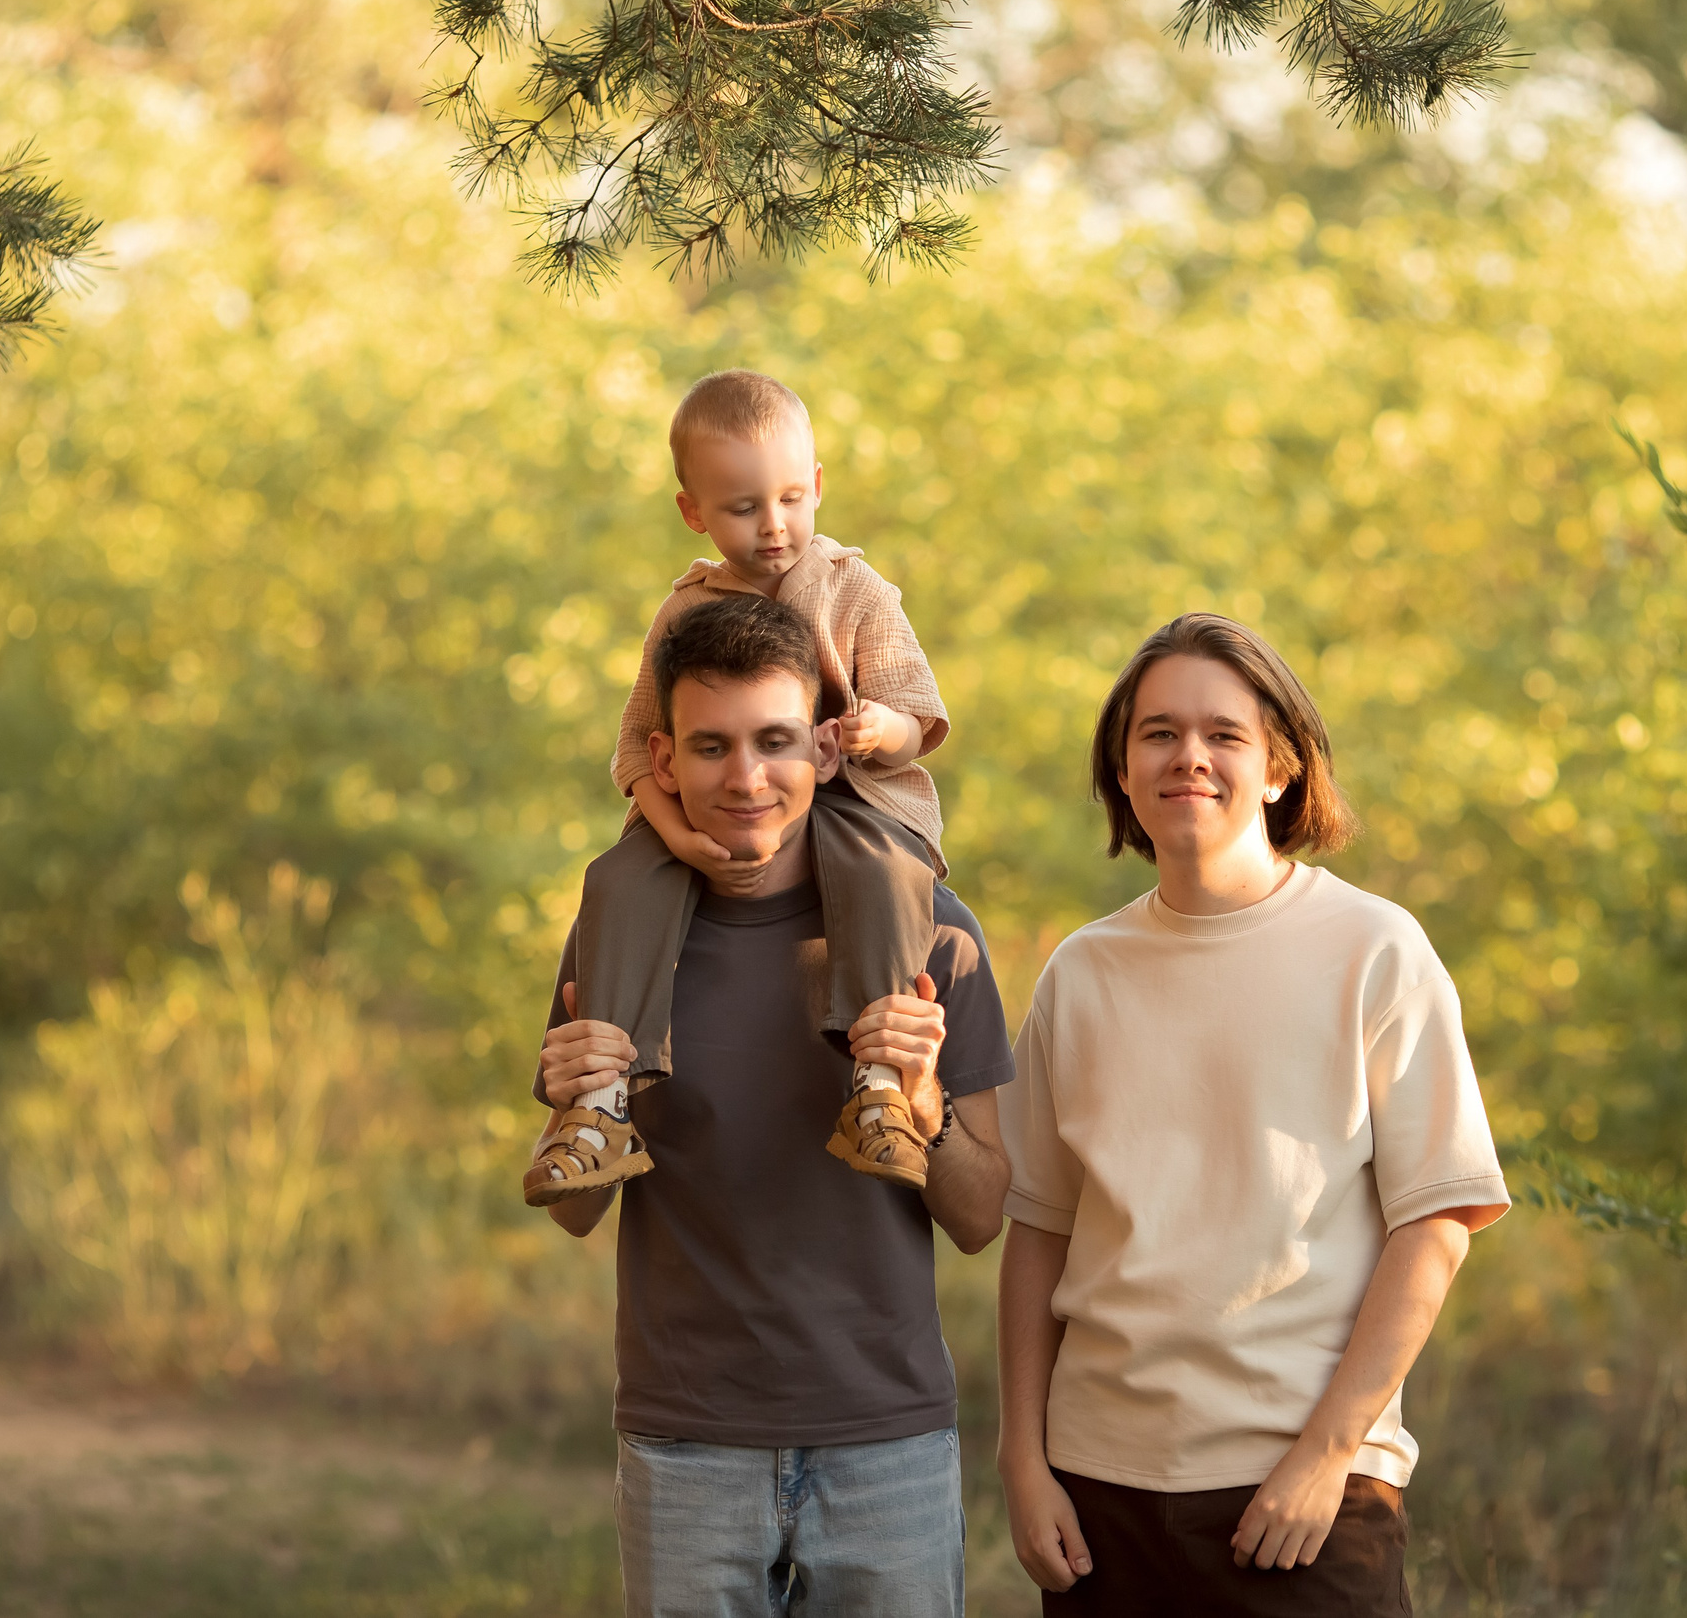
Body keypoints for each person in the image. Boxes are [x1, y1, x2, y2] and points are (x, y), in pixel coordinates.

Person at [996, 613, 1510, 1615]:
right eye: (1158, 733)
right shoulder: (1079, 973)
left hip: (1302, 1501)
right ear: (1123, 768)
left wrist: (1326, 1457)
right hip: (1099, 1500)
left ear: (1277, 770)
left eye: (1222, 735)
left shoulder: (1374, 950)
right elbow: (1038, 1234)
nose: (1188, 757)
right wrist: (1024, 1459)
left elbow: (1437, 1224)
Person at [534, 594, 1015, 1617]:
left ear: (826, 752)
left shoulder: (934, 938)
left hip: (886, 1438)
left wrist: (921, 1106)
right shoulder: (618, 939)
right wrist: (574, 1095)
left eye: (775, 741)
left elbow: (979, 1219)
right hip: (684, 1438)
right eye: (712, 746)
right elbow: (576, 1207)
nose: (747, 778)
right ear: (661, 760)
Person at [527, 369, 953, 1203]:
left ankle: (878, 1085)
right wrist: (677, 833)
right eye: (743, 507)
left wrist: (879, 731)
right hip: (705, 808)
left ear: (819, 486)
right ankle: (602, 1101)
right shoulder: (684, 610)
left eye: (792, 499)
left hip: (851, 798)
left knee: (885, 873)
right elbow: (635, 750)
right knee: (616, 881)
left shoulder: (853, 590)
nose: (773, 526)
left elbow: (919, 715)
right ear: (693, 511)